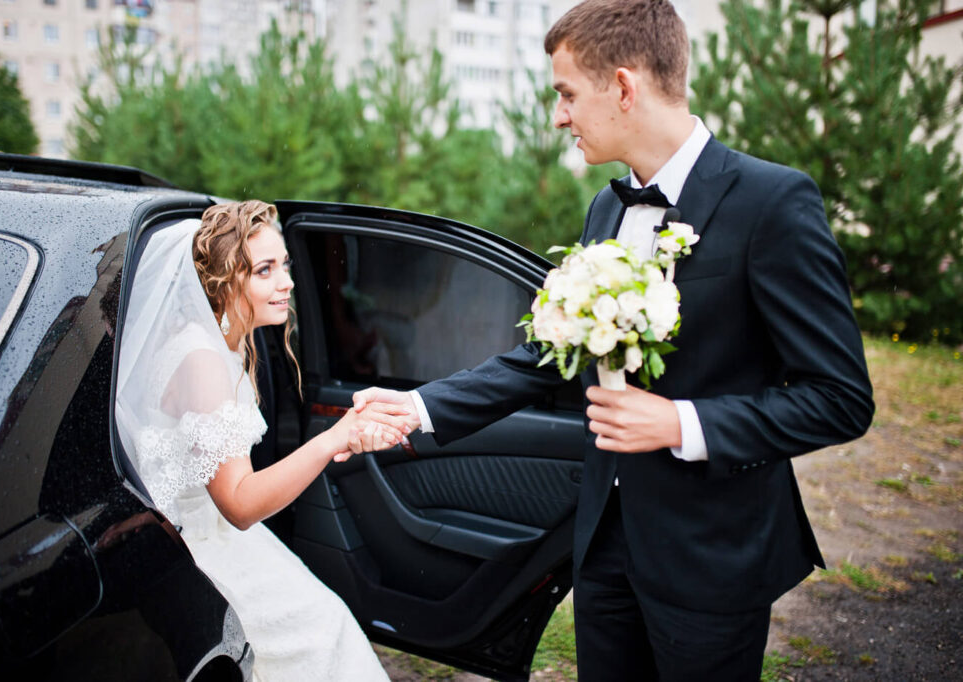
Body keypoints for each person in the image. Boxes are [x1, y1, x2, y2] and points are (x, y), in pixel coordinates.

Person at [351, 1, 874, 680]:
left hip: (712, 558)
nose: (558, 116)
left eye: (566, 94)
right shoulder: (606, 207)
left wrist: (680, 422)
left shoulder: (772, 203)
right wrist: (416, 410)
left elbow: (839, 398)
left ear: (624, 88)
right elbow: (546, 353)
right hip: (604, 550)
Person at [116, 201, 408, 681]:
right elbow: (239, 503)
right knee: (323, 630)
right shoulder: (202, 360)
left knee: (325, 617)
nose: (287, 283)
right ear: (226, 281)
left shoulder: (221, 342)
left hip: (216, 532)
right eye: (265, 271)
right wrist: (334, 438)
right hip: (195, 549)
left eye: (285, 266)